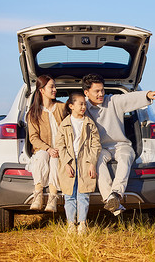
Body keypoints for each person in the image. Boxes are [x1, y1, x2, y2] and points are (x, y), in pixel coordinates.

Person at [82, 73, 155, 216]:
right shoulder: (82, 108)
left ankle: (115, 195)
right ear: (86, 93)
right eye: (97, 91)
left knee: (126, 157)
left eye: (102, 90)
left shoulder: (112, 101)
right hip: (99, 148)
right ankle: (110, 199)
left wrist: (147, 94)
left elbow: (129, 98)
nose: (101, 94)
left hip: (121, 145)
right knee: (97, 160)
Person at [56, 92, 101, 234]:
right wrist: (66, 163)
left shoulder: (89, 123)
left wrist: (92, 163)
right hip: (69, 162)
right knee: (69, 194)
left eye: (84, 104)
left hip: (85, 162)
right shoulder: (64, 124)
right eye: (80, 104)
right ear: (71, 106)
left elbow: (96, 144)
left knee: (83, 193)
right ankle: (71, 223)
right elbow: (59, 145)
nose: (83, 106)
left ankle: (82, 223)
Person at [26, 75, 67, 212]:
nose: (55, 89)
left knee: (55, 160)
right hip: (43, 149)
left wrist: (60, 149)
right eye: (51, 87)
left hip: (60, 150)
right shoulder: (33, 113)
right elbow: (33, 138)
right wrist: (48, 148)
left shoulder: (62, 107)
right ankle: (38, 195)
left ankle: (53, 198)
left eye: (55, 86)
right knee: (43, 156)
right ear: (42, 90)